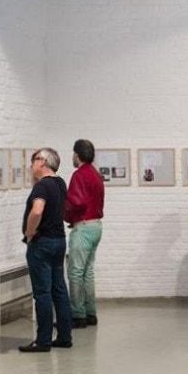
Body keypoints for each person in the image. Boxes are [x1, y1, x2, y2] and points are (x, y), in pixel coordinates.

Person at [20, 148, 73, 352]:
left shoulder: (42, 186)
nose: (31, 165)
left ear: (43, 162)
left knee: (42, 292)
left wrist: (30, 231)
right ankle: (64, 335)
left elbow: (37, 210)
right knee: (59, 288)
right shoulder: (60, 183)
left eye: (34, 160)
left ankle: (43, 340)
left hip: (42, 243)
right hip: (59, 240)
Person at [64, 139, 104, 329]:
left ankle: (78, 314)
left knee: (75, 271)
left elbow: (76, 202)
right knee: (88, 271)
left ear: (77, 155)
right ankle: (91, 312)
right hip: (96, 225)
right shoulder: (95, 174)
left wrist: (65, 213)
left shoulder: (79, 175)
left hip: (83, 226)